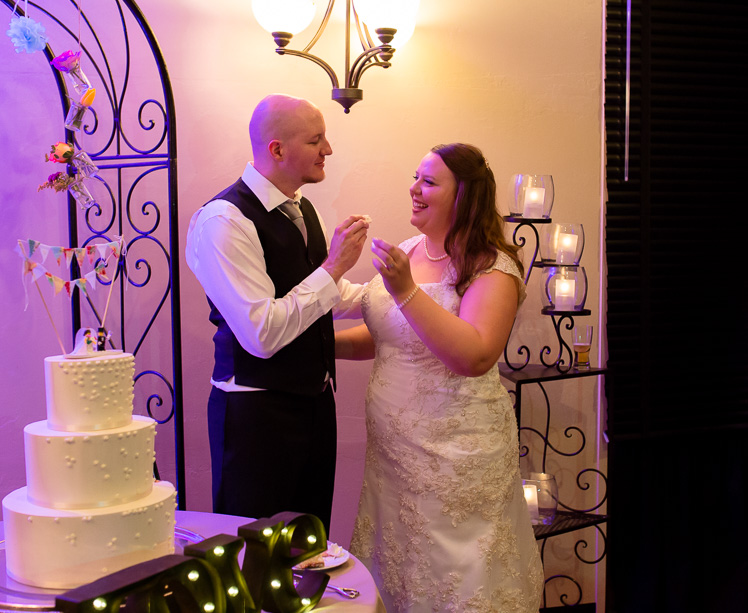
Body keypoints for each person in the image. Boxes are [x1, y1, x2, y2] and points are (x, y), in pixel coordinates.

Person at [337, 143, 543, 611]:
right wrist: (315, 346)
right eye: (416, 177)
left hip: (457, 455)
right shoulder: (409, 250)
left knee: (460, 575)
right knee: (400, 570)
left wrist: (406, 289)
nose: (414, 188)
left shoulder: (492, 267)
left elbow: (473, 355)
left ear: (464, 195)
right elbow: (392, 334)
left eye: (429, 182)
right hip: (393, 456)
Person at [185, 94, 368, 532]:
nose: (329, 150)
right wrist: (334, 266)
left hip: (316, 406)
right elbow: (262, 333)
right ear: (278, 150)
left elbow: (321, 293)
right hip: (256, 417)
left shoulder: (302, 206)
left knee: (308, 548)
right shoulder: (224, 221)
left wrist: (399, 294)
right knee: (255, 554)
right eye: (317, 139)